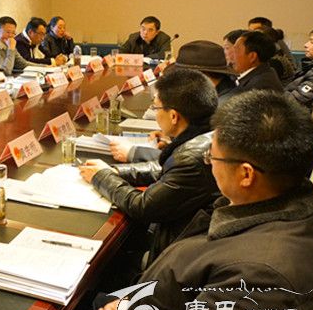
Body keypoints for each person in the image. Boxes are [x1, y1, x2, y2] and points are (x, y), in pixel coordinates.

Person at [92, 91, 313, 310]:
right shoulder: (295, 209)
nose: (208, 163)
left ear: (246, 174)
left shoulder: (261, 282)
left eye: (211, 157)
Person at [80, 68, 220, 266]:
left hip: (177, 255)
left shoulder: (191, 158)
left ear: (174, 116)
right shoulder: (206, 135)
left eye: (156, 108)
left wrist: (101, 177)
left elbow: (143, 206)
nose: (155, 114)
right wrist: (117, 171)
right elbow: (166, 170)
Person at [108, 41, 235, 164]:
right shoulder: (221, 94)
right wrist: (174, 140)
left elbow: (194, 159)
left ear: (197, 77)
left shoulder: (222, 110)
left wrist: (134, 153)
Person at [219, 30, 284, 103]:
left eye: (236, 50)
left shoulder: (259, 86)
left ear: (252, 57)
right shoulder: (262, 73)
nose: (231, 56)